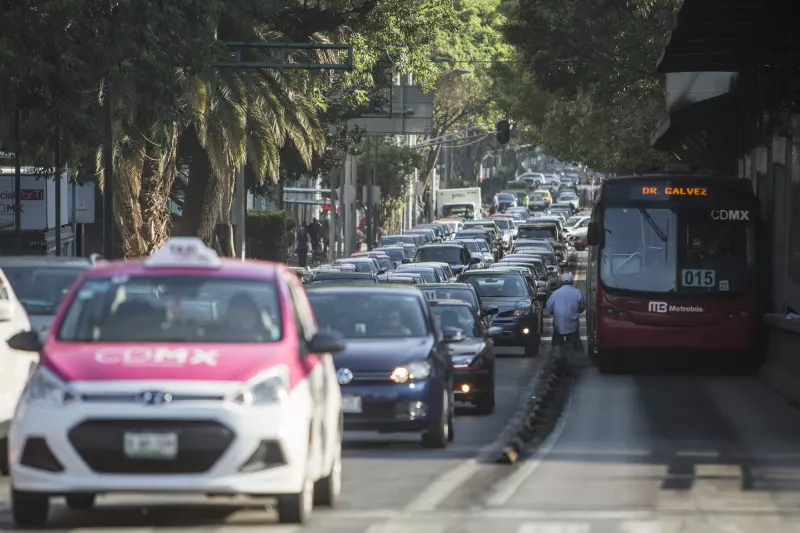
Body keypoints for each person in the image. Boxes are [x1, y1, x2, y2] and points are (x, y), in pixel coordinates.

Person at [546, 272, 585, 358]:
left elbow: (549, 308)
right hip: (573, 325)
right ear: (571, 282)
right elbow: (582, 307)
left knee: (557, 343)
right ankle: (572, 358)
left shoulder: (555, 293)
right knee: (573, 343)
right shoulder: (577, 292)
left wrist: (555, 312)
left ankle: (557, 358)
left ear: (561, 282)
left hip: (558, 325)